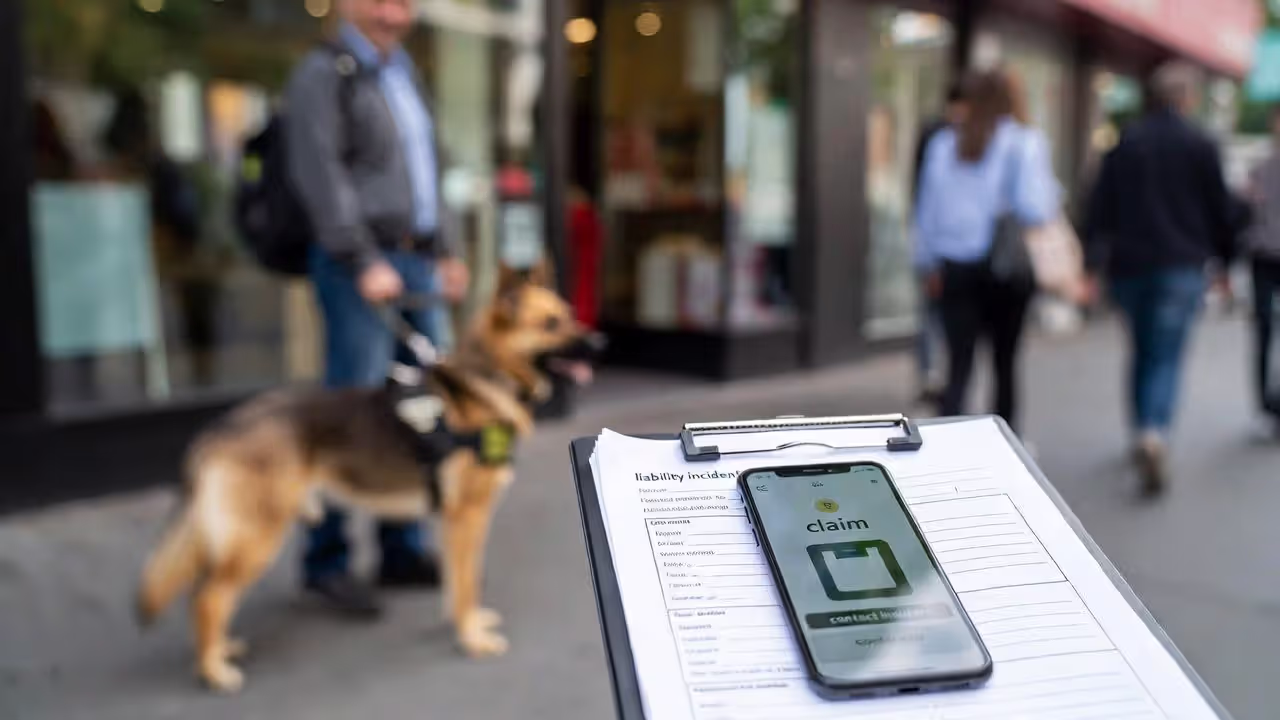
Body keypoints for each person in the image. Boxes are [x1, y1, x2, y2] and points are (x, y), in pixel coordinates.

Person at [285, 0, 469, 617]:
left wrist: (446, 249)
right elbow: (320, 176)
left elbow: (429, 173)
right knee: (352, 410)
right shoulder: (324, 72)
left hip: (415, 262)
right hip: (360, 265)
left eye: (406, 1)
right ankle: (326, 560)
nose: (396, 11)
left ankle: (401, 544)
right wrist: (360, 258)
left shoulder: (402, 72)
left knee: (418, 405)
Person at [1083, 61, 1235, 494]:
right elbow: (1219, 210)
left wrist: (1092, 265)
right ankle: (1155, 431)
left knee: (1143, 350)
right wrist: (1224, 264)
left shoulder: (1126, 141)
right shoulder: (1200, 142)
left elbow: (1098, 207)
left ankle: (1140, 430)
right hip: (1181, 266)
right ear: (1187, 97)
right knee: (1166, 354)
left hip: (1128, 267)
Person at [913, 68, 1059, 432]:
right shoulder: (1023, 142)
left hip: (954, 269)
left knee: (958, 366)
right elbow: (1035, 209)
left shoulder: (944, 144)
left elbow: (926, 213)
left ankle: (942, 451)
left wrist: (927, 264)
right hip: (1004, 270)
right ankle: (1005, 451)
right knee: (1004, 365)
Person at [911, 81, 970, 406]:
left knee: (950, 322)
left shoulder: (978, 138)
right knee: (930, 312)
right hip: (941, 246)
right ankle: (929, 373)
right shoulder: (938, 138)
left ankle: (942, 376)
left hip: (958, 251)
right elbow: (924, 196)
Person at [1241, 106, 1280, 438]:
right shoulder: (1260, 168)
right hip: (1264, 257)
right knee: (1264, 328)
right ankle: (1267, 404)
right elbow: (1246, 213)